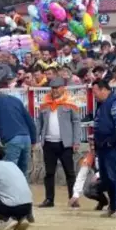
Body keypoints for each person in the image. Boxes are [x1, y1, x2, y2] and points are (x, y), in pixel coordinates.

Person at [36, 77, 81, 208]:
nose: (54, 90)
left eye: (57, 88)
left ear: (63, 88)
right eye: (52, 88)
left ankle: (73, 199)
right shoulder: (45, 103)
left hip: (65, 143)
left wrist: (76, 141)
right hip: (48, 143)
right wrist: (37, 138)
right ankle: (49, 199)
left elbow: (76, 123)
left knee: (70, 172)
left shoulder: (69, 102)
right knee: (49, 173)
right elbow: (39, 122)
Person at [92, 79, 116, 218]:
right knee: (106, 178)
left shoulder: (115, 102)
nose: (94, 95)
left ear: (103, 89)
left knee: (115, 175)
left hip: (112, 146)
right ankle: (113, 206)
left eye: (95, 92)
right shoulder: (101, 104)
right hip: (102, 146)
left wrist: (111, 141)